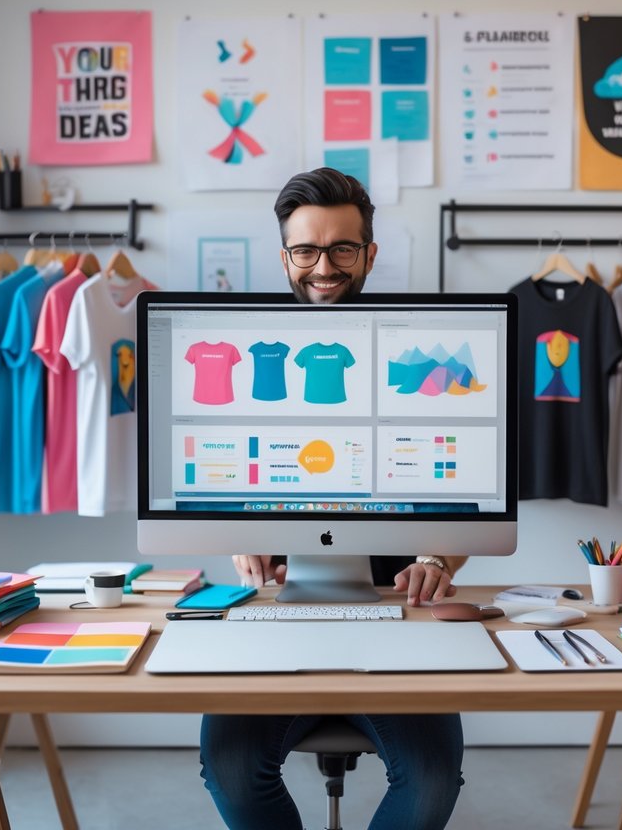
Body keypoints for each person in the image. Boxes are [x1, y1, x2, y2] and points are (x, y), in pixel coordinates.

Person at [198, 168, 468, 830]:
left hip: (397, 609)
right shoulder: (244, 353)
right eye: (306, 250)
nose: (324, 267)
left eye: (342, 249)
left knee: (432, 778)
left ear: (369, 254)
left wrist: (438, 557)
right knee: (230, 767)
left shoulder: (414, 351)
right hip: (278, 611)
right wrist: (241, 535)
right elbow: (218, 475)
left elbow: (463, 487)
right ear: (284, 256)